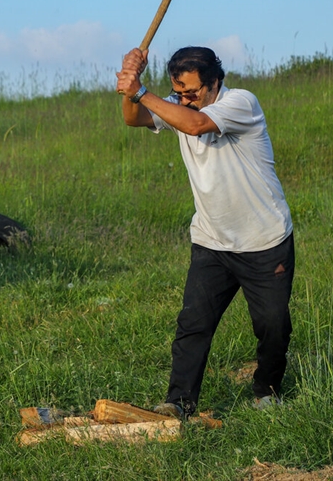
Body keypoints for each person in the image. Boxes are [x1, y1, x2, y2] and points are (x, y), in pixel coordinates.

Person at [115, 46, 295, 417]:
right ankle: (179, 402)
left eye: (192, 92)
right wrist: (129, 87)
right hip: (212, 240)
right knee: (193, 324)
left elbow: (194, 125)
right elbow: (134, 119)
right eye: (178, 93)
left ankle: (267, 391)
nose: (185, 100)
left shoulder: (241, 103)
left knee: (272, 326)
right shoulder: (179, 105)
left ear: (215, 82)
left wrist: (139, 90)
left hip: (264, 240)